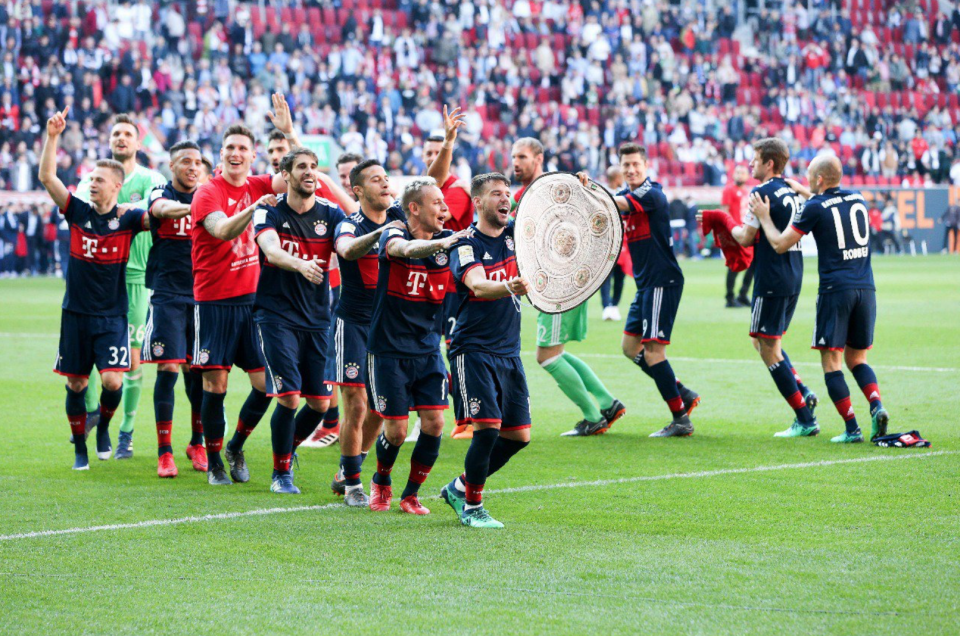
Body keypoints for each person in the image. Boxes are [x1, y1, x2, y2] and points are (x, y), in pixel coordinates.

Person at [190, 96, 299, 486]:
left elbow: (303, 174)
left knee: (265, 386)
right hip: (214, 302)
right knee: (215, 385)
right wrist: (254, 208)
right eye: (229, 148)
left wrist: (289, 132)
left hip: (254, 303)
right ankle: (214, 462)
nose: (235, 154)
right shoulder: (208, 192)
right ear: (221, 155)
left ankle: (235, 446)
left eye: (242, 148)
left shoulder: (259, 184)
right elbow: (221, 230)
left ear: (254, 156)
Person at [39, 106, 150, 470]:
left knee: (114, 381)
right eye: (90, 178)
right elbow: (47, 177)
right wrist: (52, 136)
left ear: (117, 186)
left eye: (98, 179)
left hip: (113, 315)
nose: (91, 183)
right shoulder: (77, 211)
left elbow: (158, 215)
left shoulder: (129, 218)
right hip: (75, 313)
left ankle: (103, 426)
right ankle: (80, 450)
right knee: (75, 384)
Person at [752, 155, 890, 443]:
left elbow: (779, 244)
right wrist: (804, 190)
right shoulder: (857, 197)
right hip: (866, 289)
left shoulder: (814, 207)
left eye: (809, 174)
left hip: (835, 291)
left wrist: (764, 217)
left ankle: (852, 428)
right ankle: (876, 405)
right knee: (857, 358)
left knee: (832, 362)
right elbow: (829, 201)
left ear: (819, 179)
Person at [579, 143, 700, 437]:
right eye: (626, 165)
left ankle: (681, 419)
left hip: (662, 281)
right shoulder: (629, 194)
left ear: (646, 166)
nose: (631, 169)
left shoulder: (651, 193)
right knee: (630, 348)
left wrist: (588, 186)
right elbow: (608, 208)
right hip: (646, 284)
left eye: (636, 164)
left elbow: (617, 204)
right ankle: (682, 393)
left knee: (654, 353)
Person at [365, 178, 468, 513]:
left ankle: (411, 494)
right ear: (414, 208)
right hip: (388, 350)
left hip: (427, 350)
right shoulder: (394, 234)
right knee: (396, 431)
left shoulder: (448, 240)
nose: (445, 209)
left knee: (435, 423)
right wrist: (444, 243)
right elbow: (405, 250)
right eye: (437, 203)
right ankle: (381, 481)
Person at [513, 137, 624, 437]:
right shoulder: (524, 195)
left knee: (546, 356)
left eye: (522, 157)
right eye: (513, 157)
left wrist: (587, 186)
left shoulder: (561, 186)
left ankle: (593, 416)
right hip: (548, 286)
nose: (515, 163)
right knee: (554, 352)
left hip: (561, 286)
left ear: (538, 158)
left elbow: (597, 214)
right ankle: (607, 403)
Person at [440, 173, 532, 528]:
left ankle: (459, 487)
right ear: (478, 202)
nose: (505, 199)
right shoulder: (465, 243)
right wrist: (509, 285)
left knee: (518, 436)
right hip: (473, 348)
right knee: (488, 428)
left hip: (509, 350)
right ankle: (473, 506)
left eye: (507, 193)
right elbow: (477, 285)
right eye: (496, 194)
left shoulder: (515, 236)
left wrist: (580, 190)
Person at [252, 147, 345, 494]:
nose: (309, 172)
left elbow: (346, 244)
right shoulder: (269, 210)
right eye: (302, 167)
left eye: (314, 167)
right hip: (276, 316)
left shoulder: (332, 214)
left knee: (319, 403)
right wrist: (301, 264)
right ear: (285, 174)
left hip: (318, 318)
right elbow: (271, 250)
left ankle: (286, 451)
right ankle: (281, 474)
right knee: (289, 397)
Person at [74, 114, 166, 460]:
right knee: (85, 357)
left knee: (132, 359)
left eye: (128, 133)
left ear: (138, 142)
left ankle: (126, 432)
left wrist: (124, 208)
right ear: (109, 140)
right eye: (116, 133)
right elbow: (81, 207)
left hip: (136, 280)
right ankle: (92, 416)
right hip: (96, 280)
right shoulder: (92, 178)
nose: (121, 138)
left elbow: (158, 207)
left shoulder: (151, 178)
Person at [325, 159, 406, 506]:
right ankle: (353, 485)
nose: (385, 183)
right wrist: (382, 234)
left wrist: (448, 144)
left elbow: (431, 182)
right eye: (376, 180)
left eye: (386, 178)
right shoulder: (350, 224)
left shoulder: (399, 215)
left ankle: (350, 465)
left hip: (387, 327)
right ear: (357, 190)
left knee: (380, 407)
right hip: (353, 325)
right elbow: (346, 249)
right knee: (356, 406)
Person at [727, 138, 819, 437]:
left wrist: (725, 223)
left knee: (767, 348)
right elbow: (815, 201)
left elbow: (745, 237)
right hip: (794, 274)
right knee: (766, 342)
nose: (750, 164)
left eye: (754, 160)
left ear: (769, 163)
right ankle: (803, 391)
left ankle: (804, 418)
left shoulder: (760, 193)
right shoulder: (792, 190)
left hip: (771, 277)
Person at [139, 140, 207, 477]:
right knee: (167, 367)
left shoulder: (208, 193)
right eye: (185, 161)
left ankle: (197, 442)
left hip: (203, 295)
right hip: (167, 294)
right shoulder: (160, 192)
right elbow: (160, 210)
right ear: (172, 166)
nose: (193, 167)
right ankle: (164, 452)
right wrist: (198, 207)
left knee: (199, 372)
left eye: (197, 162)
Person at [423, 106, 476, 440]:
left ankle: (468, 417)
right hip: (431, 284)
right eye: (428, 153)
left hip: (454, 284)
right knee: (431, 348)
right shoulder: (425, 190)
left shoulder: (455, 191)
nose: (432, 158)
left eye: (437, 152)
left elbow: (434, 224)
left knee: (455, 350)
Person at [721, 165, 754, 307]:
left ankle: (743, 294)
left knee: (752, 263)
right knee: (735, 265)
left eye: (743, 173)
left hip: (746, 232)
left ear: (747, 176)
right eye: (738, 172)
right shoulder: (729, 190)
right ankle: (730, 297)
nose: (740, 175)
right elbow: (725, 211)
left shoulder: (747, 192)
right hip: (735, 232)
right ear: (733, 175)